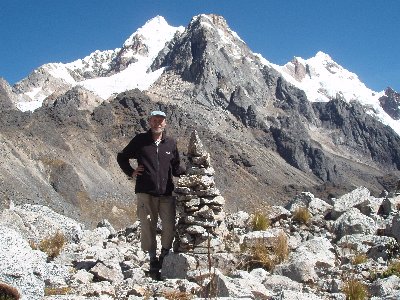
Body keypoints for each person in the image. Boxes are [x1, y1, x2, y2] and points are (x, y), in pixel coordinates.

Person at [117, 110, 185, 271]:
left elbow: (175, 167)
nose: (157, 123)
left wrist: (191, 170)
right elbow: (122, 156)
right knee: (148, 225)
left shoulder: (170, 143)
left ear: (165, 123)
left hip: (166, 193)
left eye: (161, 120)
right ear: (149, 122)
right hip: (145, 192)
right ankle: (152, 258)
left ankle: (164, 253)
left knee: (169, 225)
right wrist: (131, 171)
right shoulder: (140, 141)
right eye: (154, 120)